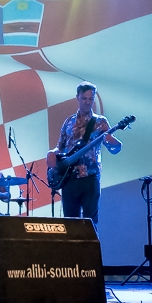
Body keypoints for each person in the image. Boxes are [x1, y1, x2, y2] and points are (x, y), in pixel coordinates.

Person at [48, 82, 121, 225]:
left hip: (90, 178)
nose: (88, 102)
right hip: (69, 179)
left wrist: (114, 143)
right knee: (70, 224)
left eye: (91, 99)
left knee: (90, 224)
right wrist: (51, 153)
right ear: (78, 97)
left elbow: (114, 149)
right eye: (84, 98)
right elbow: (60, 147)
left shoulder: (100, 122)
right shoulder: (69, 122)